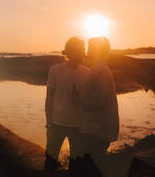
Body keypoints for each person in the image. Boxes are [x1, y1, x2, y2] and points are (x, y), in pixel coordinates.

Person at [45, 37, 90, 171]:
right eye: (81, 49)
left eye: (84, 49)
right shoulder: (55, 70)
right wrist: (49, 124)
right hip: (57, 124)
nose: (83, 52)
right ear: (71, 51)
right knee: (50, 163)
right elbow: (49, 99)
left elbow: (87, 102)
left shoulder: (87, 72)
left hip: (78, 126)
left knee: (76, 165)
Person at [81, 36, 119, 176]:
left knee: (91, 169)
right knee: (92, 167)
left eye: (90, 48)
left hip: (99, 131)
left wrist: (79, 99)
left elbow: (97, 101)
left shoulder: (101, 71)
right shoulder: (98, 69)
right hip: (98, 129)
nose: (87, 52)